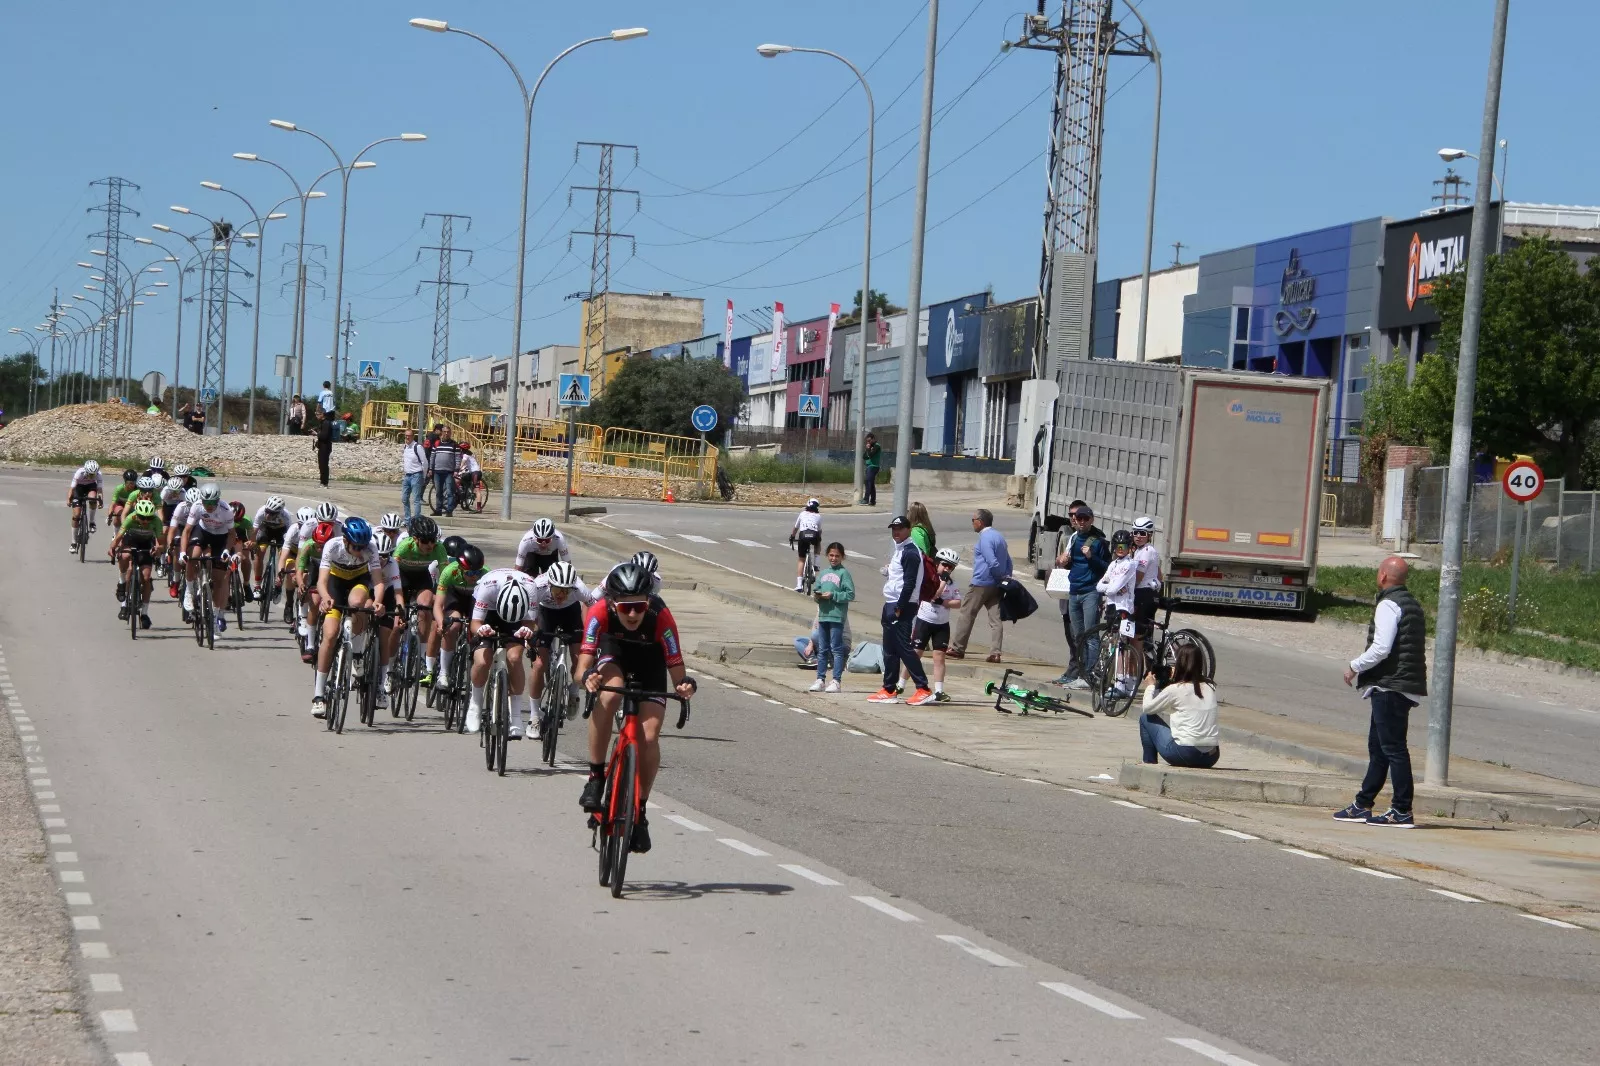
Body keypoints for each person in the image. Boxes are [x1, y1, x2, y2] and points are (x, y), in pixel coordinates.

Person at [576, 562, 698, 855]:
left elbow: (677, 669)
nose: (632, 614)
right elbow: (581, 666)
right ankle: (595, 776)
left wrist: (684, 686)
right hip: (613, 653)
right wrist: (587, 679)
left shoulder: (660, 616)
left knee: (650, 736)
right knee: (608, 694)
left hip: (651, 661)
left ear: (648, 602)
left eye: (639, 607)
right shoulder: (599, 612)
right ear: (612, 603)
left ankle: (640, 811)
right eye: (625, 607)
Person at [1335, 556, 1427, 828]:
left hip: (1390, 685)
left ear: (1384, 576)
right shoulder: (1411, 603)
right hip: (1397, 685)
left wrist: (1354, 665)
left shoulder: (1388, 603)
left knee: (1393, 749)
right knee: (1379, 748)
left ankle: (1401, 810)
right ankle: (1363, 804)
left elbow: (1381, 648)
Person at [310, 517, 386, 719]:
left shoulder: (370, 548)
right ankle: (319, 695)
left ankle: (358, 654)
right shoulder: (332, 547)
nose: (360, 550)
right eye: (356, 546)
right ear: (345, 540)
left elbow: (378, 580)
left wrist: (378, 600)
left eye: (363, 546)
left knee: (360, 603)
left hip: (358, 582)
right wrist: (325, 598)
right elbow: (322, 581)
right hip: (335, 584)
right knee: (330, 634)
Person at [527, 561, 599, 737]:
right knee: (538, 664)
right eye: (558, 589)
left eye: (566, 590)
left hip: (570, 614)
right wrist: (532, 635)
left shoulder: (579, 588)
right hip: (545, 613)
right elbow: (529, 614)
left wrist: (591, 634)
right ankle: (535, 716)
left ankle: (574, 691)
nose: (562, 594)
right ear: (550, 584)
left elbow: (594, 608)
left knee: (580, 658)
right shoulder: (537, 586)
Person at [465, 567, 540, 736]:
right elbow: (475, 623)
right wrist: (481, 629)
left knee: (514, 658)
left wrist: (527, 632)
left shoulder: (530, 588)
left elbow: (530, 624)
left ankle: (515, 716)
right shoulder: (487, 587)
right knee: (483, 660)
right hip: (489, 613)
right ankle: (475, 704)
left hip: (518, 615)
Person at [869, 516, 933, 705]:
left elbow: (910, 583)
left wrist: (899, 607)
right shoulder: (900, 550)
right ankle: (889, 689)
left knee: (904, 647)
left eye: (899, 528)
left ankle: (923, 688)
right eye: (893, 529)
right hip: (891, 602)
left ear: (908, 529)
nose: (896, 532)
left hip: (902, 605)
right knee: (889, 648)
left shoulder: (911, 552)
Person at [1137, 643, 1221, 769]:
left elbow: (1148, 708)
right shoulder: (1210, 687)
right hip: (1211, 756)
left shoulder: (1175, 689)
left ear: (1180, 664)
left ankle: (1149, 764)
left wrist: (1150, 686)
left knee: (1146, 718)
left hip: (1186, 753)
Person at [1055, 503, 1109, 687]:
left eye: (1086, 519)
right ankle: (1081, 673)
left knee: (1091, 635)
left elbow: (1106, 568)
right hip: (1074, 591)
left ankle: (1090, 675)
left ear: (1092, 520)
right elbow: (1070, 563)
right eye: (1079, 519)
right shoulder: (1073, 538)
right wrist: (1063, 561)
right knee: (1078, 636)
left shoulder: (1098, 540)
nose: (1082, 522)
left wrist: (1091, 557)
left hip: (1090, 592)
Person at [948, 508, 1012, 663]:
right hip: (996, 585)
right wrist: (1004, 578)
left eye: (973, 520)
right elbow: (1008, 561)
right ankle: (995, 652)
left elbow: (992, 561)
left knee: (967, 614)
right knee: (995, 619)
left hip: (981, 583)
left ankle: (957, 648)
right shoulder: (999, 537)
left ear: (980, 522)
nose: (972, 523)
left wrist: (996, 575)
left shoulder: (985, 539)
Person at [180, 484, 239, 635]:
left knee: (219, 581)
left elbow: (232, 534)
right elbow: (187, 531)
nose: (209, 506)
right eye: (206, 502)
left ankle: (214, 617)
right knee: (193, 557)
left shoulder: (226, 511)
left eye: (212, 503)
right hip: (203, 532)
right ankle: (189, 589)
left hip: (220, 537)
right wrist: (181, 552)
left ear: (218, 500)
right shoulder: (197, 506)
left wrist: (226, 550)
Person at [909, 547, 963, 702]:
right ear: (937, 563)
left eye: (950, 567)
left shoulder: (952, 583)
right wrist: (943, 584)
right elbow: (934, 594)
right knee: (915, 654)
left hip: (941, 624)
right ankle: (900, 683)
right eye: (944, 565)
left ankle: (939, 691)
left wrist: (945, 602)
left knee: (939, 657)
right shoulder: (930, 579)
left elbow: (958, 603)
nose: (947, 569)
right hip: (924, 621)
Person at [1096, 530, 1140, 698]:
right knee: (1116, 645)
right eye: (1118, 546)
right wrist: (1111, 588)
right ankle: (1121, 682)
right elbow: (1099, 586)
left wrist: (1111, 588)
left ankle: (1123, 684)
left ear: (1130, 548)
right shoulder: (1113, 564)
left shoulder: (1129, 565)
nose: (1121, 549)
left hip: (1124, 609)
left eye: (1124, 546)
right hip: (1112, 607)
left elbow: (1111, 588)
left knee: (1123, 646)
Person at [807, 542, 855, 693]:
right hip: (823, 615)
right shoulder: (823, 573)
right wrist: (818, 595)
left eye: (837, 556)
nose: (834, 558)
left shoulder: (844, 573)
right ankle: (820, 679)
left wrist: (834, 595)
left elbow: (850, 594)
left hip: (836, 616)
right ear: (827, 556)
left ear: (842, 557)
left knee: (836, 649)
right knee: (822, 649)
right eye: (831, 555)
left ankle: (836, 681)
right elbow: (817, 590)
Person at [66, 459, 104, 549]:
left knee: (93, 499)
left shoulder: (99, 474)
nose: (92, 476)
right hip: (79, 488)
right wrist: (68, 499)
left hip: (91, 487)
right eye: (90, 474)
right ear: (86, 471)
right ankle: (73, 543)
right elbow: (72, 488)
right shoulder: (79, 473)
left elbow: (99, 490)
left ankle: (91, 522)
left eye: (94, 474)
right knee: (76, 515)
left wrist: (100, 501)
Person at [789, 498, 823, 592]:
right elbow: (819, 531)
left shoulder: (802, 514)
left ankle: (799, 585)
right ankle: (817, 563)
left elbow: (795, 528)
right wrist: (818, 538)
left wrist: (792, 537)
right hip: (814, 535)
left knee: (801, 559)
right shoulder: (818, 516)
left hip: (803, 535)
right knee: (818, 543)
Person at [429, 425, 461, 517]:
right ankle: (438, 510)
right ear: (442, 433)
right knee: (438, 492)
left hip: (449, 472)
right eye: (444, 432)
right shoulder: (437, 444)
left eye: (448, 432)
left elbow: (458, 458)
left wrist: (456, 470)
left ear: (450, 433)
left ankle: (449, 510)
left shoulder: (454, 445)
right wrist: (431, 469)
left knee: (450, 492)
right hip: (437, 471)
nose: (446, 433)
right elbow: (432, 457)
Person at [399, 428, 428, 523]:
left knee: (416, 499)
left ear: (413, 436)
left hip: (416, 475)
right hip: (407, 476)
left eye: (409, 435)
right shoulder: (405, 447)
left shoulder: (417, 447)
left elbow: (424, 462)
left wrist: (423, 476)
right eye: (406, 435)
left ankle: (416, 521)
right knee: (404, 498)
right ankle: (407, 519)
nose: (407, 437)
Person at [313, 410, 334, 488]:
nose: (316, 416)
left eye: (318, 414)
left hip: (325, 446)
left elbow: (324, 436)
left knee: (324, 464)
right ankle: (322, 482)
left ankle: (324, 482)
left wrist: (317, 434)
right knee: (321, 464)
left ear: (322, 414)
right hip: (322, 446)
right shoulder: (322, 423)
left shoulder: (326, 423)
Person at [862, 432, 881, 506]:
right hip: (868, 466)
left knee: (867, 482)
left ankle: (866, 499)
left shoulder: (877, 446)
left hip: (874, 466)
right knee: (871, 484)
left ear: (873, 439)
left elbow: (871, 455)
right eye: (867, 441)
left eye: (869, 441)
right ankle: (873, 501)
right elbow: (864, 457)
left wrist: (869, 449)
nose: (868, 442)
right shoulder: (870, 447)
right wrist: (867, 449)